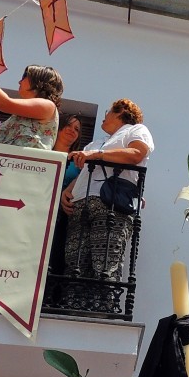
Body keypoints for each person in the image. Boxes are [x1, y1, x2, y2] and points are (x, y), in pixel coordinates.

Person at [62, 99, 152, 282]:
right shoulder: (96, 143)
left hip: (111, 206)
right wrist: (68, 191)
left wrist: (97, 155)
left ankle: (102, 301)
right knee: (74, 266)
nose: (105, 117)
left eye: (108, 112)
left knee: (105, 266)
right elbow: (86, 172)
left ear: (120, 112)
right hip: (80, 207)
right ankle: (73, 300)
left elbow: (137, 153)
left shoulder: (136, 130)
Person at [0, 64, 62, 150]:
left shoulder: (48, 106)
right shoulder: (17, 116)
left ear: (38, 81)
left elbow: (4, 103)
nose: (19, 82)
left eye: (24, 76)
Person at [47, 114, 84, 276]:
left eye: (76, 129)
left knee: (56, 256)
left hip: (62, 217)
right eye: (68, 125)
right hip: (38, 209)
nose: (72, 130)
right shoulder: (43, 151)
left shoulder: (78, 162)